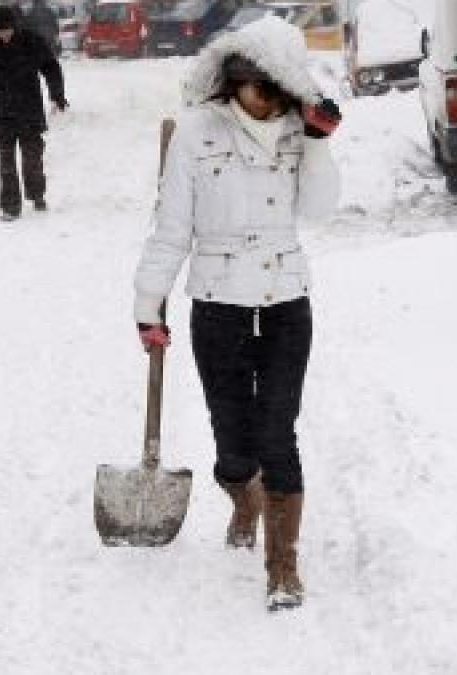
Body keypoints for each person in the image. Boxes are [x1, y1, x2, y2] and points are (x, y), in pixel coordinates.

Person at [132, 16, 341, 611]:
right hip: (219, 305)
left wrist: (321, 144)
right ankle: (243, 496)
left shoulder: (302, 131)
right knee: (233, 441)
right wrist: (149, 305)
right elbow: (171, 231)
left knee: (278, 432)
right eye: (256, 89)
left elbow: (321, 210)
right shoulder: (197, 134)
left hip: (284, 302)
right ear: (235, 81)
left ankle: (283, 565)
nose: (265, 103)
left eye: (276, 92)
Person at [0, 5, 67, 220]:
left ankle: (37, 194)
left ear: (14, 26)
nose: (3, 35)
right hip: (1, 110)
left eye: (7, 30)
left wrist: (57, 94)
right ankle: (11, 206)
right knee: (6, 163)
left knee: (32, 158)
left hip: (29, 108)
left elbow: (51, 67)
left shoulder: (31, 42)